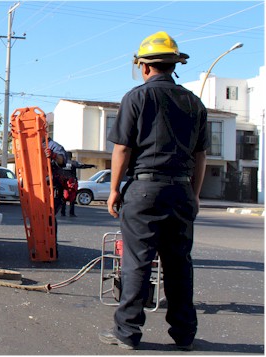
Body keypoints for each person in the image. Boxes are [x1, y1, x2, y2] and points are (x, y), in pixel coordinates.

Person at [100, 31, 208, 351]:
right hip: (181, 191)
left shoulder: (137, 97)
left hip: (144, 189)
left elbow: (122, 149)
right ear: (173, 65)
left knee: (137, 262)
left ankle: (128, 333)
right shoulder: (194, 102)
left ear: (145, 67)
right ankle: (184, 334)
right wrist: (195, 194)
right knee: (179, 264)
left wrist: (114, 190)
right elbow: (201, 156)